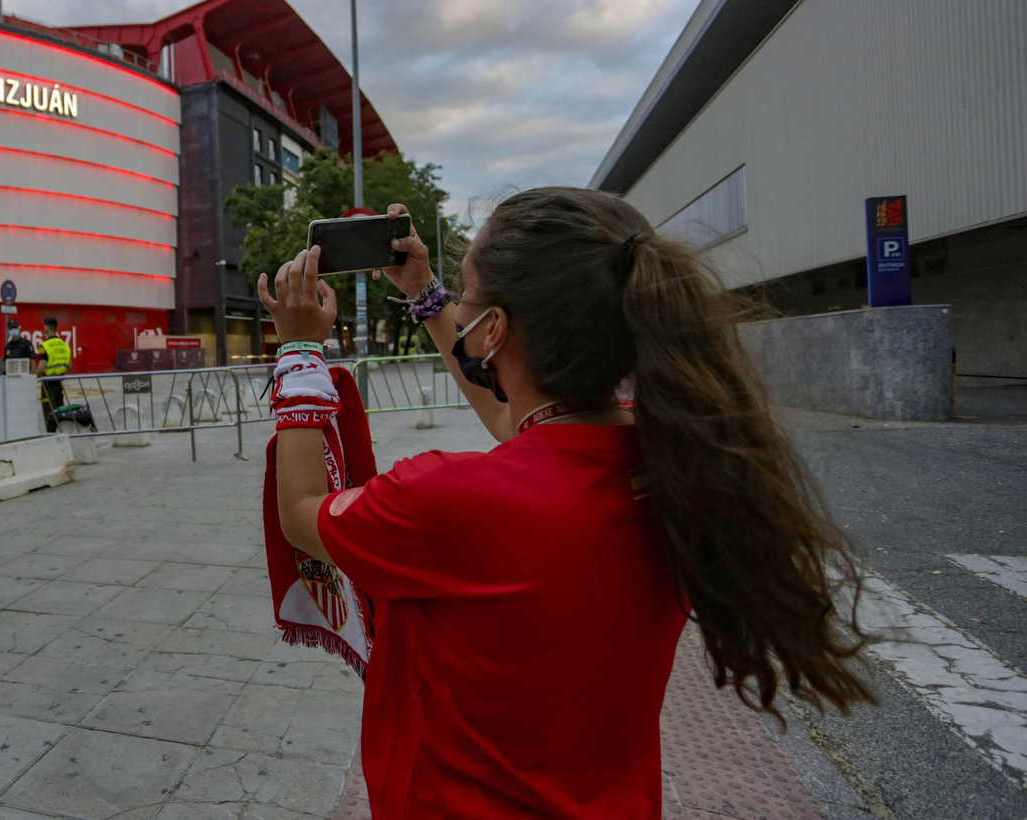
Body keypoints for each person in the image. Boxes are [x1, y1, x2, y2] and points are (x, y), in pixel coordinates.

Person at [257, 189, 873, 819]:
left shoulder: (451, 500)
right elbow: (514, 417)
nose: (457, 303)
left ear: (495, 328)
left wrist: (299, 351)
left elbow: (303, 511)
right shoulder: (675, 455)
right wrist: (427, 293)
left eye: (465, 287)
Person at [36, 317, 71, 411]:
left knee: (49, 413)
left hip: (48, 384)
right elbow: (69, 366)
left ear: (46, 328)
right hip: (59, 383)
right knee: (60, 410)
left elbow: (40, 369)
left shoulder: (44, 346)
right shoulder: (65, 345)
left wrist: (33, 378)